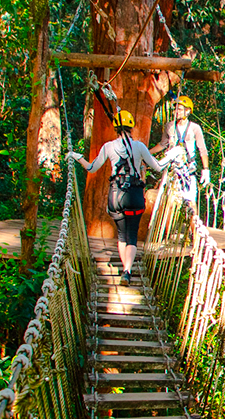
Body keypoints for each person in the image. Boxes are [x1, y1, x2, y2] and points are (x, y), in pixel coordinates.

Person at [73, 108, 163, 285]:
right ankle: (127, 271)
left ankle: (124, 269)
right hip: (134, 195)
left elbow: (92, 168)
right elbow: (158, 167)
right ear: (131, 127)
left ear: (115, 128)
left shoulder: (108, 146)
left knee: (121, 235)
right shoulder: (139, 146)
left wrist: (77, 157)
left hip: (116, 196)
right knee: (132, 235)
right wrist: (173, 155)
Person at [152, 94, 210, 212]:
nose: (176, 111)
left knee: (191, 202)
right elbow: (162, 144)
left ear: (187, 111)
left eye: (179, 109)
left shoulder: (195, 128)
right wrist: (147, 153)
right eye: (175, 108)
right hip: (173, 168)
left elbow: (202, 149)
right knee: (167, 201)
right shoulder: (169, 126)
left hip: (188, 170)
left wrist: (206, 169)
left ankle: (194, 228)